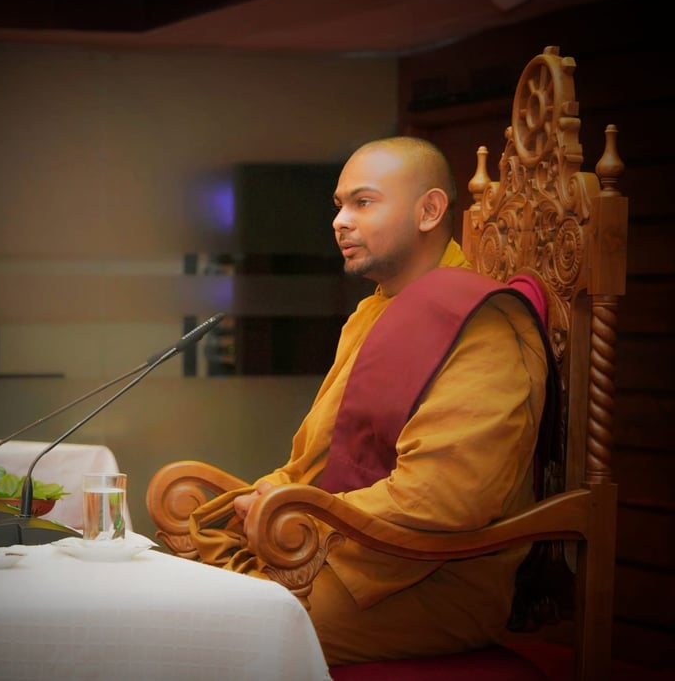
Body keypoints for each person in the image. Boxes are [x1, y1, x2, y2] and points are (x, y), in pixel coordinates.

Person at [188, 136, 552, 665]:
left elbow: (444, 498)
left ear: (429, 210)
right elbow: (319, 456)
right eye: (339, 205)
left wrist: (295, 514)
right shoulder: (375, 313)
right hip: (337, 549)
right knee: (171, 590)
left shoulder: (476, 323)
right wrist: (279, 491)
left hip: (425, 582)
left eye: (363, 202)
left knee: (207, 632)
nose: (339, 221)